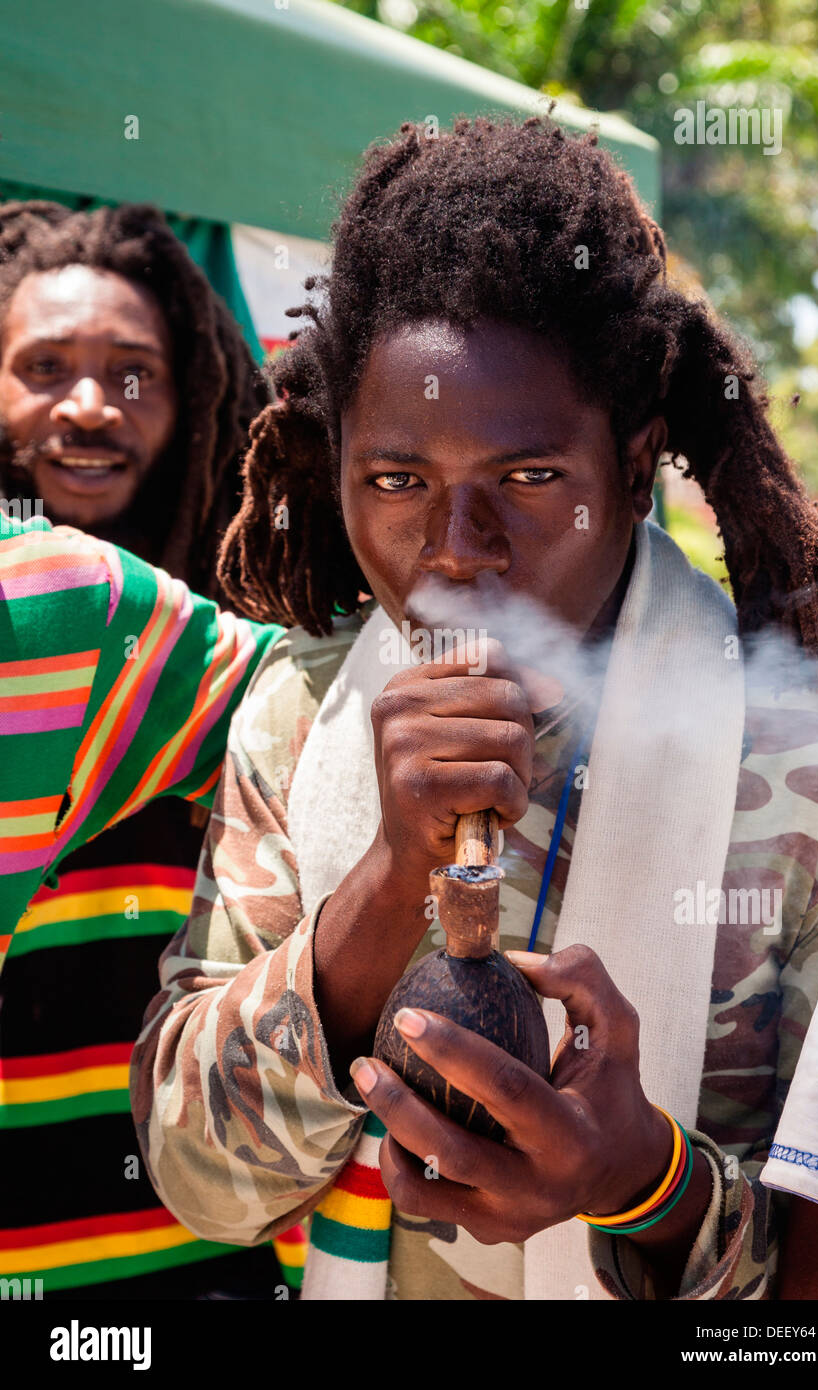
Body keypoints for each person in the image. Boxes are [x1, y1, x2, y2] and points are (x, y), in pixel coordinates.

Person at [131, 117, 818, 1301]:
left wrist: (643, 1183)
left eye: (526, 480)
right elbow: (200, 1181)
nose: (454, 553)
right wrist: (380, 879)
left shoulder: (816, 760)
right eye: (396, 481)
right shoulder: (301, 710)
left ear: (634, 467)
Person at [0, 202, 297, 1299]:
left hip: (212, 1270)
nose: (88, 406)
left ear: (199, 398)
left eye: (133, 374)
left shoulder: (267, 676)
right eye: (43, 367)